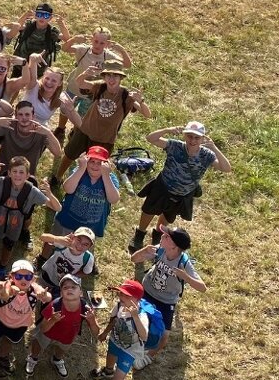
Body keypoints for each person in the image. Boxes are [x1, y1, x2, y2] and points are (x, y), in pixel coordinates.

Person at [130, 121, 231, 252]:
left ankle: (157, 236)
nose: (193, 140)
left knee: (167, 216)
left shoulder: (207, 155)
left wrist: (215, 148)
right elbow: (151, 138)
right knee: (149, 210)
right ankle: (140, 234)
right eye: (190, 136)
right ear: (184, 135)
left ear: (203, 138)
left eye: (197, 137)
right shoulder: (175, 146)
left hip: (183, 194)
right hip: (163, 187)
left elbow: (226, 168)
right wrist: (167, 129)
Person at [52, 59, 150, 184]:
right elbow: (80, 83)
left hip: (105, 139)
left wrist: (141, 101)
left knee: (95, 166)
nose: (112, 79)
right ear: (104, 76)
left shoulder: (126, 96)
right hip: (85, 131)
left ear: (121, 78)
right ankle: (57, 178)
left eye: (115, 75)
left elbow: (147, 114)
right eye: (109, 75)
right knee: (70, 155)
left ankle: (86, 185)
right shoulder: (100, 87)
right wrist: (86, 73)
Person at [0, 157, 60, 278]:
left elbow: (57, 208)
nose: (17, 175)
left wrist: (50, 194)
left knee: (8, 246)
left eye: (21, 172)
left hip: (14, 227)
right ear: (9, 173)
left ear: (27, 175)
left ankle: (2, 266)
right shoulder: (1, 182)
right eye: (14, 172)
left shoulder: (32, 191)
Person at [92, 279, 163, 380]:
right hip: (115, 340)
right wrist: (105, 333)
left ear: (137, 299)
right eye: (121, 294)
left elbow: (144, 335)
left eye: (126, 295)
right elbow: (113, 320)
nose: (121, 297)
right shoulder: (118, 305)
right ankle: (108, 371)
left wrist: (135, 317)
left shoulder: (141, 316)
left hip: (130, 351)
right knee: (110, 355)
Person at [131, 225, 206, 356]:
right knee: (136, 318)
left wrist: (185, 277)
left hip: (166, 301)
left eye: (166, 236)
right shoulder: (160, 249)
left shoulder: (184, 263)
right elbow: (134, 259)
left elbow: (202, 287)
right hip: (147, 291)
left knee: (163, 336)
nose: (162, 236)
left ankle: (147, 357)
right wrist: (144, 250)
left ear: (174, 247)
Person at [0, 259, 50, 374]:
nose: (23, 280)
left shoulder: (35, 289)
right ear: (11, 277)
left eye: (27, 277)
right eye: (19, 276)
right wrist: (4, 292)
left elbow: (48, 298)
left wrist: (45, 295)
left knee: (9, 342)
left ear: (33, 278)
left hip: (19, 325)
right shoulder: (8, 286)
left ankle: (2, 356)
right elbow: (5, 296)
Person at [58, 27, 133, 138]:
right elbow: (65, 49)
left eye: (102, 43)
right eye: (96, 41)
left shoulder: (108, 56)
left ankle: (75, 130)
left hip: (91, 93)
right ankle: (60, 128)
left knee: (83, 114)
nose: (97, 45)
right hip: (74, 87)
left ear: (107, 44)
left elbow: (127, 65)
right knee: (64, 110)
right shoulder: (83, 50)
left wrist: (121, 50)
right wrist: (73, 39)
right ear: (92, 39)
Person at [46, 147, 120, 257]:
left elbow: (113, 199)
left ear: (107, 165)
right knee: (56, 241)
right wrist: (81, 168)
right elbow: (68, 189)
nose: (95, 166)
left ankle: (82, 263)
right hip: (68, 220)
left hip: (91, 227)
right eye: (92, 161)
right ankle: (44, 257)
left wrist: (105, 175)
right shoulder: (79, 171)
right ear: (86, 161)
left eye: (100, 163)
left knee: (83, 248)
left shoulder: (110, 178)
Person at [25, 273, 98, 378]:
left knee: (62, 348)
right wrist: (53, 320)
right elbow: (43, 328)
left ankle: (57, 359)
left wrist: (92, 321)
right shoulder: (54, 305)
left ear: (81, 293)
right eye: (65, 287)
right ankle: (33, 358)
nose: (69, 289)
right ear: (61, 293)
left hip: (68, 336)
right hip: (48, 333)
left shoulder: (85, 309)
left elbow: (96, 332)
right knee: (38, 343)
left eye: (73, 287)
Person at [0, 100, 63, 178]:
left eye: (27, 114)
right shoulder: (9, 125)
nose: (24, 118)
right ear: (15, 115)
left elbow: (58, 153)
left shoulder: (41, 131)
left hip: (26, 177)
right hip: (3, 173)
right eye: (20, 114)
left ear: (33, 116)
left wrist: (48, 133)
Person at [10, 4, 69, 77]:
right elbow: (17, 26)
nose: (42, 18)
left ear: (50, 18)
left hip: (38, 70)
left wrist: (62, 26)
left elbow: (66, 38)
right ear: (35, 15)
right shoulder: (28, 26)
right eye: (39, 14)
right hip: (20, 65)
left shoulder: (51, 32)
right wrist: (24, 16)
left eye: (46, 15)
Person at [38, 227, 97, 297]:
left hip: (63, 285)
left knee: (53, 301)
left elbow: (86, 272)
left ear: (90, 247)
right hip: (47, 275)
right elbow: (42, 237)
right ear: (72, 237)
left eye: (86, 244)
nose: (80, 245)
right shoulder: (64, 243)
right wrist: (58, 239)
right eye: (78, 240)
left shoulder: (88, 258)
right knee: (38, 293)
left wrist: (72, 277)